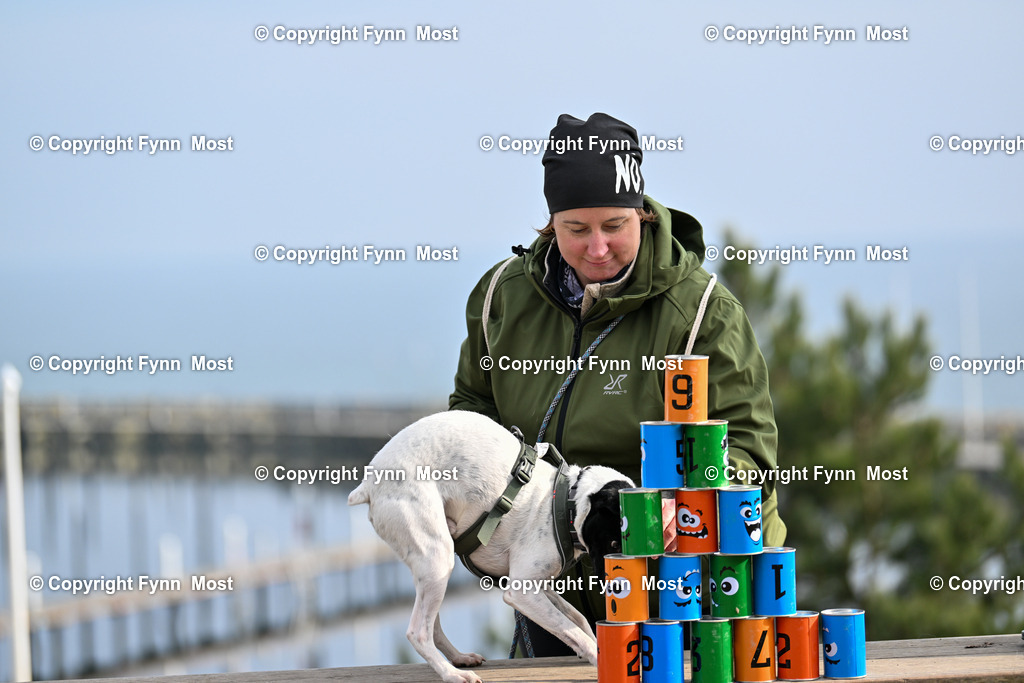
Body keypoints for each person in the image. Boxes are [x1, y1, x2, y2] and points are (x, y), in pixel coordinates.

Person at [449, 112, 785, 656]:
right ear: (549, 224)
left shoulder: (702, 312)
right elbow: (472, 412)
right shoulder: (501, 299)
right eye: (576, 230)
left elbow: (751, 451)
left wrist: (688, 506)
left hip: (692, 578)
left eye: (614, 226)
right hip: (556, 581)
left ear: (644, 215)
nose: (597, 248)